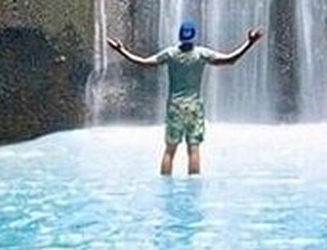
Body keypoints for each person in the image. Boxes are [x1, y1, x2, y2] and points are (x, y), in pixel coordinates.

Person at [107, 22, 264, 176]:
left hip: (175, 107)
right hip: (194, 108)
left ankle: (166, 184)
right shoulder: (202, 54)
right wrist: (249, 43)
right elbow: (231, 60)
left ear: (180, 36)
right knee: (193, 149)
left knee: (170, 150)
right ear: (194, 36)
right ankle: (193, 187)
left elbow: (144, 63)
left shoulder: (171, 54)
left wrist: (121, 51)